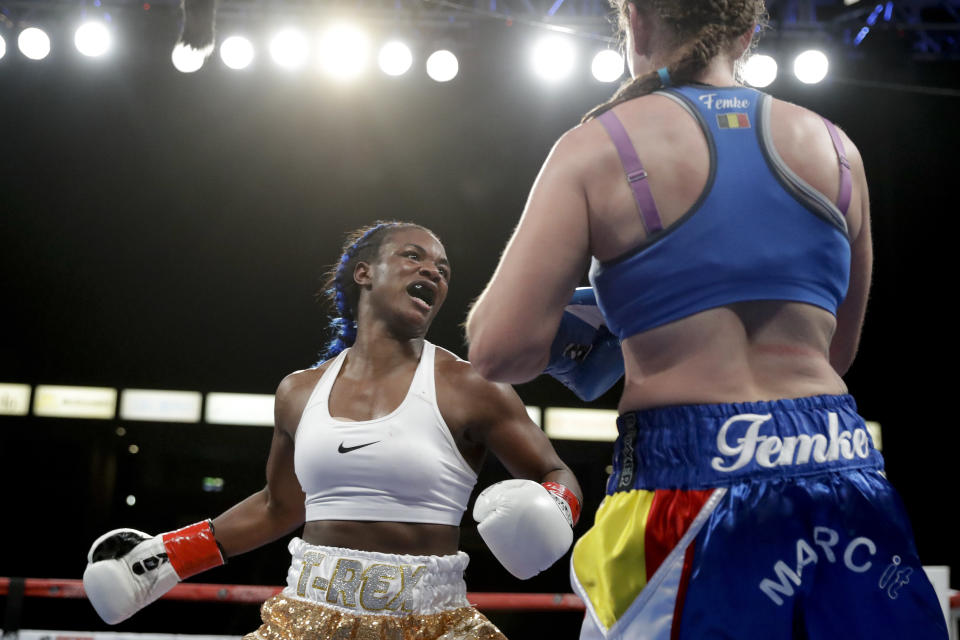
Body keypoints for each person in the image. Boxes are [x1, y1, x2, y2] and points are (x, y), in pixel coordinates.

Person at [464, 1, 948, 638]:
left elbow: (499, 353)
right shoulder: (838, 148)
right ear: (748, 34)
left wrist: (611, 307)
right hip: (843, 476)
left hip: (685, 490)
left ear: (634, 20)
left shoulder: (599, 146)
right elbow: (838, 355)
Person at [83, 221, 583, 640]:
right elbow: (278, 506)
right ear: (364, 273)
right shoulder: (298, 393)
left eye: (443, 269)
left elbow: (553, 469)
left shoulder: (470, 386)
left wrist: (555, 506)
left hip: (431, 623)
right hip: (303, 617)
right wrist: (167, 556)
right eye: (413, 256)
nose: (433, 270)